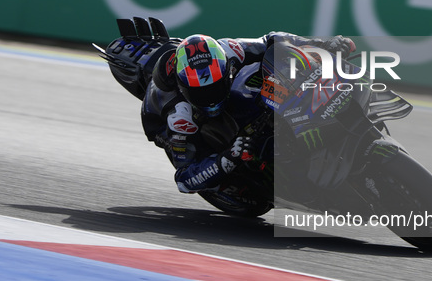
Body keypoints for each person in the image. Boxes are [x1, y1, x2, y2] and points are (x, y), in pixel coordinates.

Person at [140, 32, 356, 194]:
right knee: (215, 153)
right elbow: (184, 179)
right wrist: (227, 158)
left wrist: (323, 44)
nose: (211, 97)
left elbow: (272, 40)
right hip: (168, 122)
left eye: (215, 87)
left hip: (234, 96)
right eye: (202, 93)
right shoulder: (179, 117)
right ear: (184, 88)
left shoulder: (230, 51)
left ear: (225, 68)